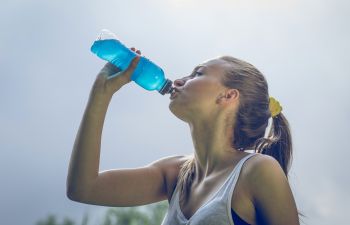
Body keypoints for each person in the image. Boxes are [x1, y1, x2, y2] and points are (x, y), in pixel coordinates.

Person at [67, 47, 302, 225]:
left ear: (228, 96)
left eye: (197, 74)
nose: (179, 81)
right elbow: (84, 188)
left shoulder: (257, 170)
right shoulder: (175, 173)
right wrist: (102, 93)